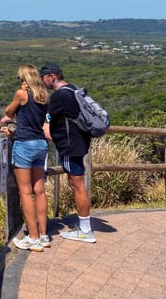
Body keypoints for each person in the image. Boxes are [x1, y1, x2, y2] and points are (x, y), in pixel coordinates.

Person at [39, 62, 96, 243]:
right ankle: (84, 227)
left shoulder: (59, 96)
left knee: (78, 185)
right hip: (79, 143)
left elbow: (47, 119)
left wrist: (46, 125)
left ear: (52, 76)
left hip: (70, 146)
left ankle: (85, 230)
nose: (43, 82)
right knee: (76, 183)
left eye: (44, 78)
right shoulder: (73, 89)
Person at [0, 65, 50, 252]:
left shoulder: (22, 94)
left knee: (26, 193)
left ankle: (34, 238)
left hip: (25, 145)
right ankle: (44, 235)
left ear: (24, 78)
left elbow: (9, 112)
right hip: (40, 144)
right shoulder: (44, 96)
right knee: (40, 191)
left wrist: (20, 92)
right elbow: (41, 118)